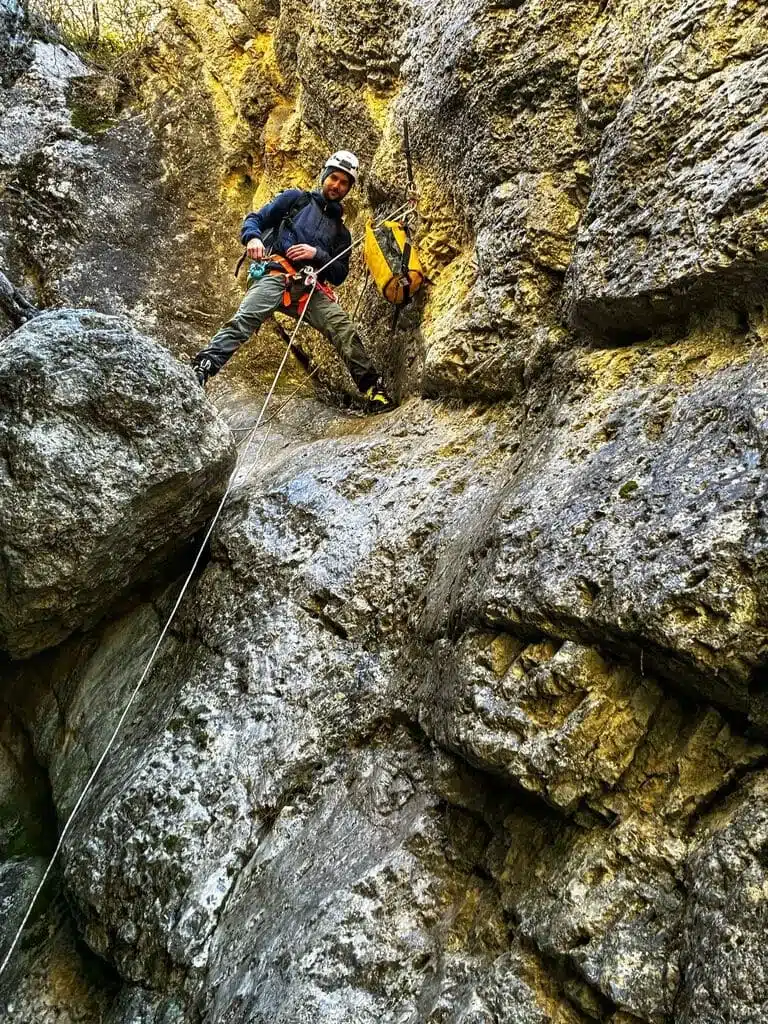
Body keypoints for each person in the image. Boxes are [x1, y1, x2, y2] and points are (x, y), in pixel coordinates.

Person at [192, 151, 393, 409]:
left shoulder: (342, 234)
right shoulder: (295, 200)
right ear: (324, 175)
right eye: (334, 178)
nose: (337, 186)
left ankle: (373, 391)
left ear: (349, 189)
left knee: (343, 328)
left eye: (344, 183)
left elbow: (340, 274)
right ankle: (203, 366)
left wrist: (317, 254)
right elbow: (256, 219)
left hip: (309, 289)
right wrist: (252, 238)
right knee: (245, 320)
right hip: (277, 275)